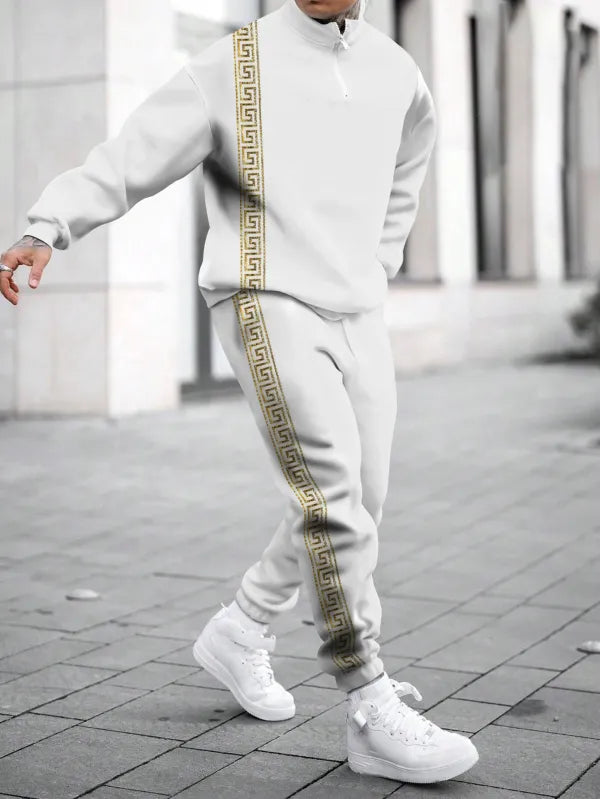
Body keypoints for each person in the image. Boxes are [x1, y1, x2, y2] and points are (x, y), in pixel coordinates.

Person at [0, 0, 479, 784]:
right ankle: (366, 697)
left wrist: (381, 259)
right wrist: (47, 225)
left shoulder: (396, 70)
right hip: (265, 296)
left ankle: (245, 624)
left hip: (358, 306)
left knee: (360, 497)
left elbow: (412, 159)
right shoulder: (236, 63)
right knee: (332, 496)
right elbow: (133, 152)